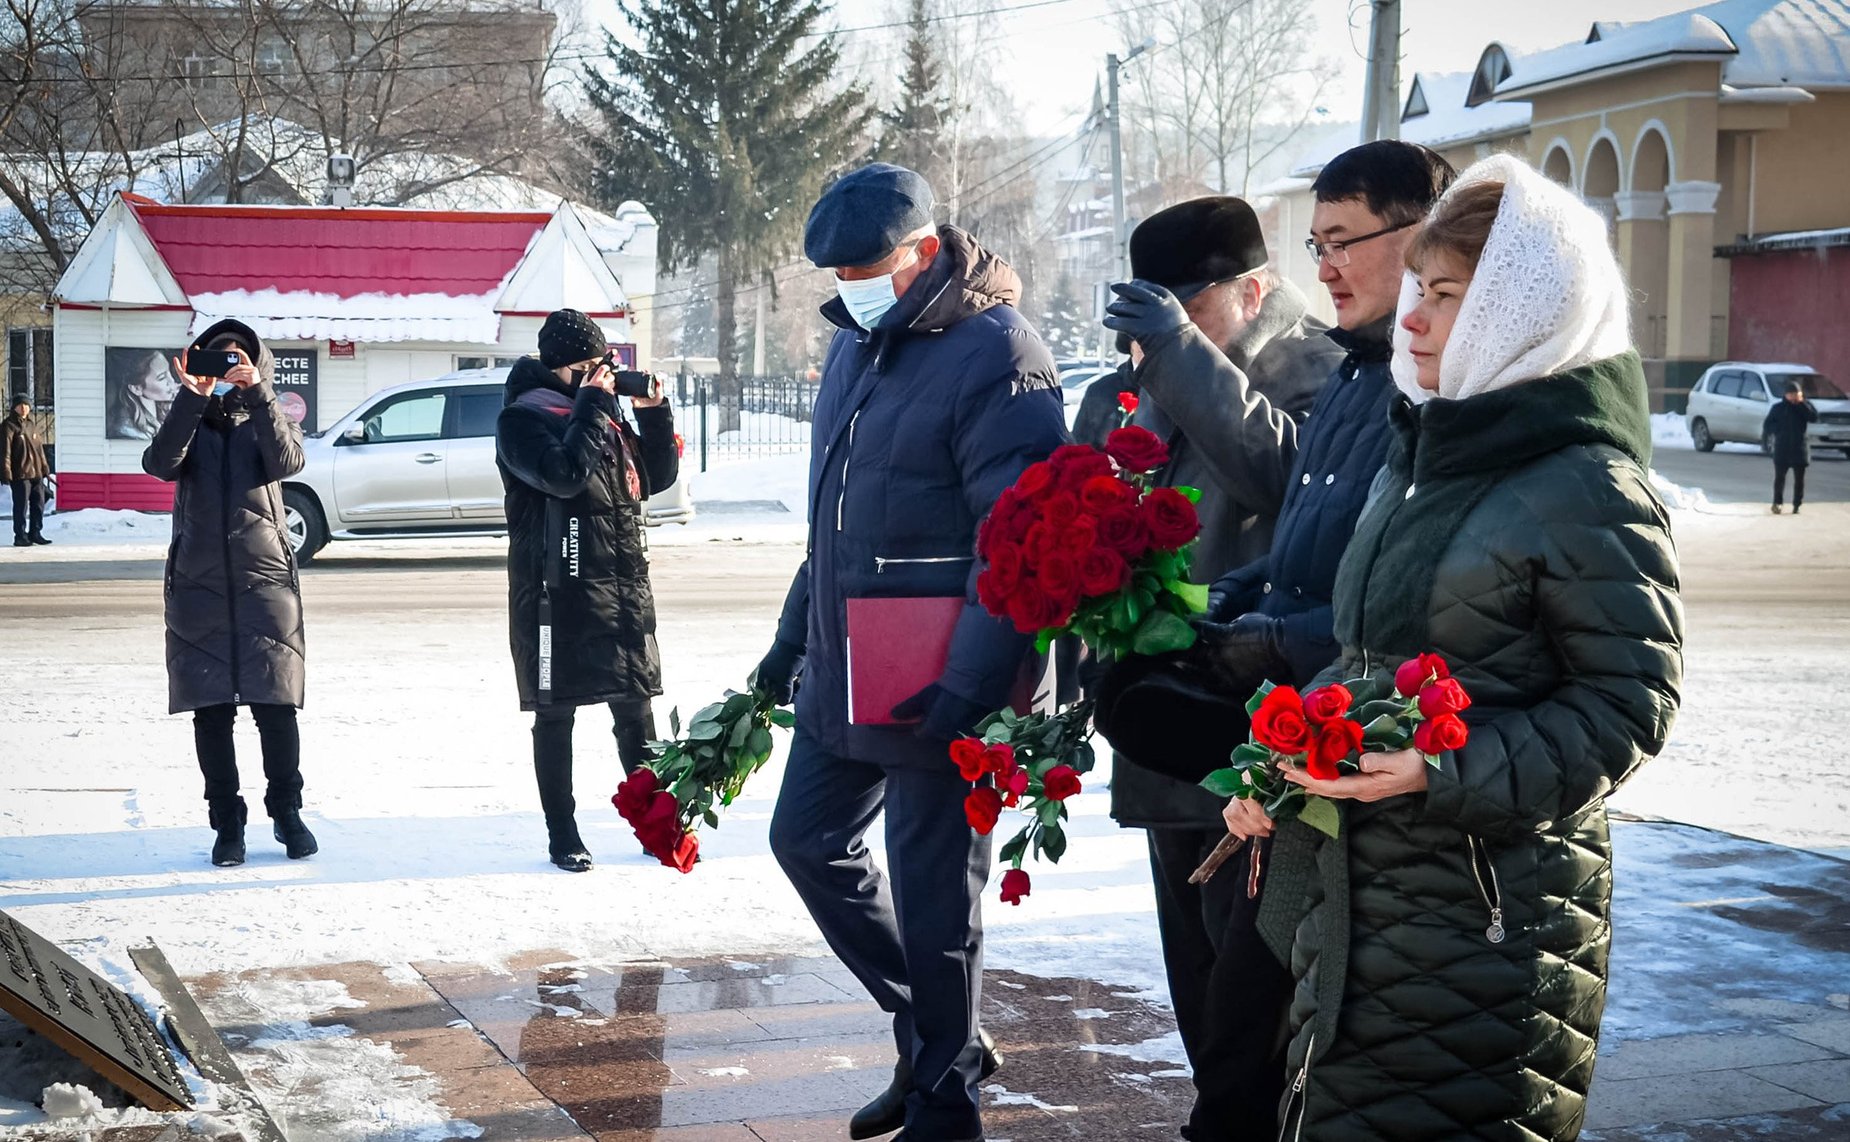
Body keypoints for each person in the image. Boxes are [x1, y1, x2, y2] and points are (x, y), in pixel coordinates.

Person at [1222, 155, 1683, 1140]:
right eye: (1420, 292)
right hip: (1360, 904)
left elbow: (1625, 706)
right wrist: (1282, 759)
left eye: (1445, 296)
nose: (1415, 319)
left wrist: (1437, 768)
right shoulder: (1422, 453)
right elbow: (1362, 660)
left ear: (1526, 309)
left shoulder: (1586, 484)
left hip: (1485, 927)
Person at [1090, 143, 1453, 1141]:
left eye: (1191, 308)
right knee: (1202, 979)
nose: (1329, 263)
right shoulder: (1171, 369)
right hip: (1185, 703)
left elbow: (1277, 480)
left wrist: (1177, 356)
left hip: (1279, 729)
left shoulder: (1324, 359)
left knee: (1260, 999)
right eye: (1320, 241)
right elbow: (1275, 534)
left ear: (1250, 286)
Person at [760, 163, 1067, 1142]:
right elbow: (833, 522)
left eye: (867, 265)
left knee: (937, 897)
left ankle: (946, 1105)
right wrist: (786, 642)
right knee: (804, 839)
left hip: (943, 678)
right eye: (838, 269)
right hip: (847, 662)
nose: (848, 284)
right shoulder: (858, 345)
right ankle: (937, 1033)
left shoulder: (998, 351)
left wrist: (971, 686)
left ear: (926, 252)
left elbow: (1016, 541)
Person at [496, 309, 678, 872]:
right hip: (556, 593)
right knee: (556, 717)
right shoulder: (522, 420)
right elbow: (564, 475)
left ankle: (658, 828)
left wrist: (652, 414)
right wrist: (595, 406)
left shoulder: (598, 415)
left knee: (636, 714)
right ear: (567, 368)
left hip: (620, 589)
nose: (603, 377)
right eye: (594, 368)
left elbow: (654, 479)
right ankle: (563, 834)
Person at [142, 320, 315, 867]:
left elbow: (287, 463)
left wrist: (257, 394)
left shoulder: (271, 418)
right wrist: (191, 399)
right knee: (211, 711)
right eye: (217, 359)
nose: (228, 366)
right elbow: (159, 463)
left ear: (258, 365)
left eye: (238, 358)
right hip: (198, 586)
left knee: (276, 706)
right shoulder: (190, 418)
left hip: (265, 583)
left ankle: (287, 814)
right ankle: (227, 825)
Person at [3, 397, 52, 546]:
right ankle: (20, 535)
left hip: (36, 472)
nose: (23, 408)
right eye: (20, 405)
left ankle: (35, 532)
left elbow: (39, 449)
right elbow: (5, 451)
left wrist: (44, 467)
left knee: (39, 503)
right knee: (21, 505)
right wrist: (6, 471)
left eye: (26, 405)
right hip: (21, 473)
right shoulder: (8, 426)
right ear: (14, 407)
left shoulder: (31, 425)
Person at [1764, 379, 1817, 514]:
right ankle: (1777, 503)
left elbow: (1813, 417)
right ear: (1786, 395)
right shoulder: (1778, 408)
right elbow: (1768, 425)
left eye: (1796, 394)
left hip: (1800, 448)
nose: (1793, 396)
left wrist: (1801, 404)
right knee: (1779, 478)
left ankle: (1797, 504)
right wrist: (1779, 430)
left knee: (1799, 480)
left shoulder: (1805, 406)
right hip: (1782, 448)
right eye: (1791, 394)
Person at [110, 350, 180, 440]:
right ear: (136, 389)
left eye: (169, 372)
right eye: (162, 378)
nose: (172, 381)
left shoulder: (166, 411)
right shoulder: (128, 430)